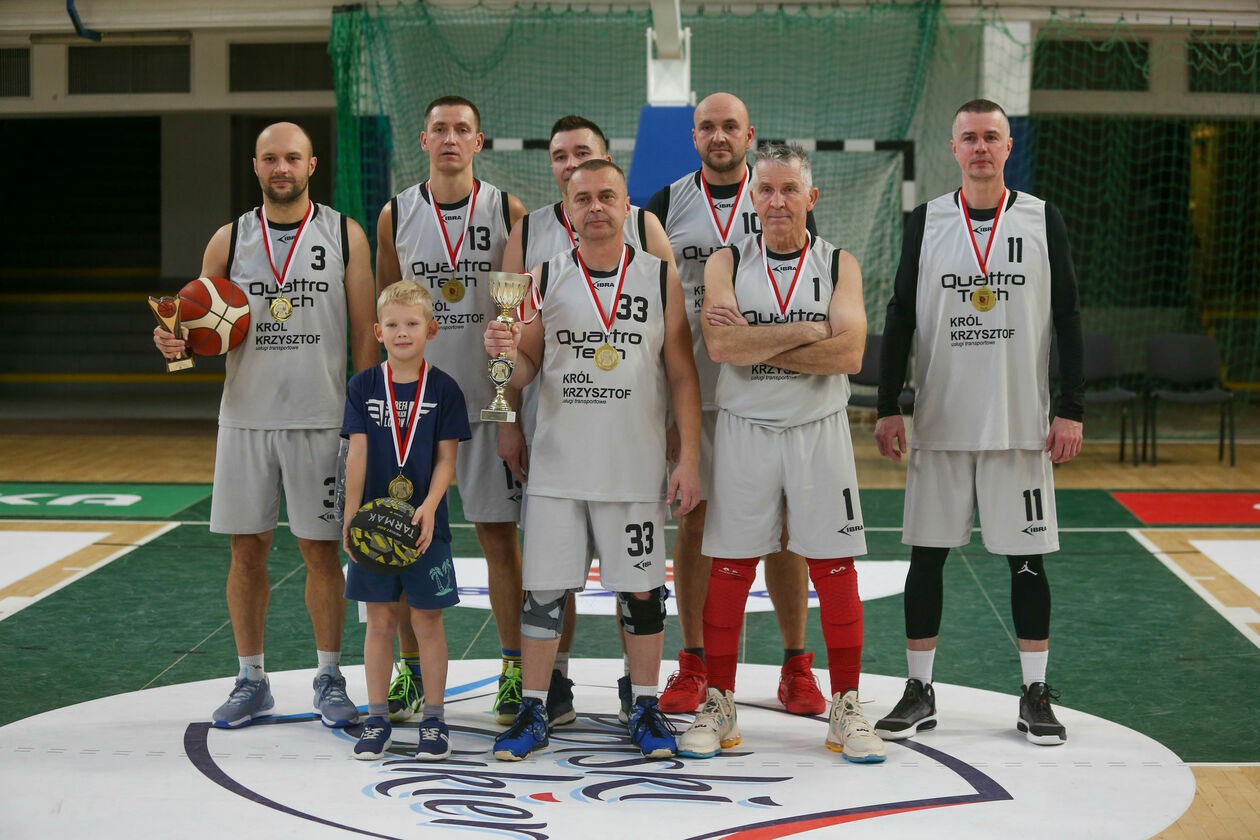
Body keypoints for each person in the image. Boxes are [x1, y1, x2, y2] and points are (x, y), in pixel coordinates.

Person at [872, 99, 1084, 747]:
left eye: (992, 136)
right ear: (954, 147)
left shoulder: (1042, 217)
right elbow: (900, 313)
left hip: (1019, 423)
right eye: (970, 137)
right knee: (926, 559)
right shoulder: (926, 220)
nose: (981, 147)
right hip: (941, 421)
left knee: (1027, 562)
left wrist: (1072, 406)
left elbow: (1069, 315)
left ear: (1008, 145)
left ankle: (1035, 693)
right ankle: (919, 690)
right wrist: (887, 403)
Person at [153, 121, 377, 728]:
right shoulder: (228, 240)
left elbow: (365, 331)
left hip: (321, 418)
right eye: (271, 158)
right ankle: (251, 679)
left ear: (312, 165)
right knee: (246, 550)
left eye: (293, 158)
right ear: (255, 166)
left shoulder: (345, 234)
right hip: (246, 420)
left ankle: (329, 677)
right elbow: (198, 328)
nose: (282, 168)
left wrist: (363, 416)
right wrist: (175, 342)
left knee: (321, 553)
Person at [484, 159, 702, 760]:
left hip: (633, 468)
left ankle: (645, 705)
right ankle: (534, 707)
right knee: (544, 595)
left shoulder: (660, 278)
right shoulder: (542, 277)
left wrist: (688, 458)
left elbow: (683, 374)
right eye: (583, 198)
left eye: (608, 196)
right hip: (558, 468)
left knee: (642, 595)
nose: (596, 207)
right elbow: (523, 371)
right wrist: (504, 353)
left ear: (627, 206)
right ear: (568, 208)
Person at [677, 143, 884, 763]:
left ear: (810, 197)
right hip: (746, 429)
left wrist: (756, 339)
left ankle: (846, 708)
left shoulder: (839, 263)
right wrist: (811, 330)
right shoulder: (727, 260)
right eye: (765, 189)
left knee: (835, 568)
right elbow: (721, 348)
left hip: (819, 430)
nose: (776, 201)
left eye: (789, 189)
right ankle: (720, 703)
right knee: (730, 567)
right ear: (751, 197)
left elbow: (850, 354)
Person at [645, 92, 821, 716]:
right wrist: (664, 410)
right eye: (708, 127)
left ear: (750, 135)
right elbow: (650, 307)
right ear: (693, 136)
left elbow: (809, 292)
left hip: (769, 393)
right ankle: (694, 661)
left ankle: (796, 665)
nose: (719, 136)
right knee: (694, 523)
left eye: (730, 127)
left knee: (783, 529)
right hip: (695, 395)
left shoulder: (777, 195)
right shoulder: (664, 204)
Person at [375, 96, 529, 726]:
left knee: (498, 539)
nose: (449, 138)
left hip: (489, 401)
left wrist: (513, 410)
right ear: (423, 140)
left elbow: (519, 315)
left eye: (462, 129)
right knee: (404, 539)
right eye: (438, 128)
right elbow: (385, 308)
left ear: (478, 141)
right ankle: (411, 672)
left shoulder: (508, 210)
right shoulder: (395, 214)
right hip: (416, 407)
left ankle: (514, 670)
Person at [340, 280, 471, 760]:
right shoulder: (363, 385)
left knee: (428, 621)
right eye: (392, 324)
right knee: (379, 621)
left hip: (424, 527)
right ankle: (376, 718)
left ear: (430, 330)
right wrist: (350, 517)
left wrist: (431, 505)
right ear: (378, 331)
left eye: (412, 323)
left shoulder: (445, 388)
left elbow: (447, 459)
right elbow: (357, 453)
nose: (401, 332)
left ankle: (434, 721)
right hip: (374, 529)